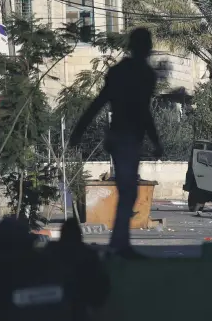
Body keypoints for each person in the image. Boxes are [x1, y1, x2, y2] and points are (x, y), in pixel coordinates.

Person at [69, 27, 163, 253]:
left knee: (127, 190)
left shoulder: (122, 71)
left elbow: (100, 102)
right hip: (126, 137)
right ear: (146, 48)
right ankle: (119, 244)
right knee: (128, 191)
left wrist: (79, 130)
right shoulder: (142, 74)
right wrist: (156, 140)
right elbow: (143, 111)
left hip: (123, 136)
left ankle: (120, 242)